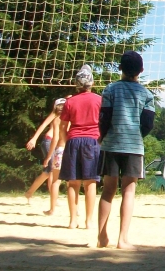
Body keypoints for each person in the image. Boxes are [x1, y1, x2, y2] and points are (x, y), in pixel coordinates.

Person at [97, 51, 155, 250]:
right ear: (141, 70)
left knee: (107, 190)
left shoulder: (110, 89)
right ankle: (122, 239)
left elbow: (104, 118)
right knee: (128, 191)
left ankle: (102, 236)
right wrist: (137, 135)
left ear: (120, 68)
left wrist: (102, 136)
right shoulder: (146, 94)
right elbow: (148, 124)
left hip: (111, 144)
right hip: (133, 146)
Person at [59, 65, 101, 229]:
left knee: (73, 182)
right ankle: (88, 221)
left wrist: (66, 142)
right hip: (92, 141)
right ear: (92, 83)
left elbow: (63, 127)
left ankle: (72, 220)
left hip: (74, 141)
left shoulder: (70, 102)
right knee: (90, 183)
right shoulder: (99, 100)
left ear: (76, 84)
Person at [24, 98, 66, 209]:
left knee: (48, 172)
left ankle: (30, 193)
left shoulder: (67, 113)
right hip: (49, 141)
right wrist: (34, 138)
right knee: (51, 170)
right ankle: (52, 198)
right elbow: (43, 125)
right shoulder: (55, 113)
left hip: (58, 144)